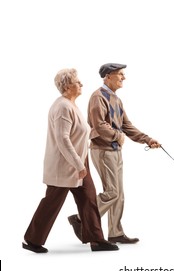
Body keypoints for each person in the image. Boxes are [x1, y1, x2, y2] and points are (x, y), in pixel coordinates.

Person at [22, 68, 119, 253]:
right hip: (65, 165)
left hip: (80, 163)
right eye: (77, 82)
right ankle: (32, 240)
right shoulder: (62, 107)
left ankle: (97, 240)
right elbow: (63, 139)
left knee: (89, 199)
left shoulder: (71, 105)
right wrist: (78, 164)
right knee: (52, 202)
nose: (81, 84)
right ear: (67, 86)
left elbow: (79, 134)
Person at [68, 63, 161, 245]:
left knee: (119, 194)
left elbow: (126, 125)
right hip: (102, 151)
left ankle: (115, 232)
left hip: (115, 150)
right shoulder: (98, 97)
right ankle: (81, 219)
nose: (123, 78)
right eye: (120, 74)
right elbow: (99, 125)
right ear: (108, 76)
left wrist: (147, 139)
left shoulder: (116, 99)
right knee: (112, 192)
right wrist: (117, 136)